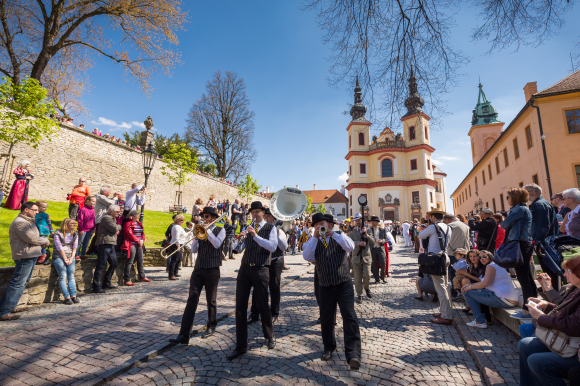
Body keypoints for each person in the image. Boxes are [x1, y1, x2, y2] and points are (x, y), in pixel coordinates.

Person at [302, 212, 361, 370]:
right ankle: (329, 347)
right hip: (325, 285)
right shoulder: (313, 241)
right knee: (326, 319)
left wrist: (333, 234)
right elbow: (307, 256)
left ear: (329, 223)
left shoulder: (340, 235)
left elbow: (350, 246)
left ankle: (353, 353)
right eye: (316, 224)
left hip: (343, 283)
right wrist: (315, 237)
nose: (320, 226)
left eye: (322, 223)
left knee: (349, 316)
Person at [227, 201, 277, 361]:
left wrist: (255, 236)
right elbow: (239, 249)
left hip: (261, 269)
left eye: (257, 212)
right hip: (245, 269)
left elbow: (272, 247)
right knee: (240, 307)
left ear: (263, 213)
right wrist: (239, 240)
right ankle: (240, 346)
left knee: (263, 305)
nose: (255, 215)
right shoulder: (248, 228)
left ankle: (269, 335)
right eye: (253, 212)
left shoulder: (270, 228)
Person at [518, 256, 580, 386]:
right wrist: (546, 305)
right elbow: (562, 308)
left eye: (568, 271)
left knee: (536, 361)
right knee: (525, 344)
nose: (564, 274)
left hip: (573, 347)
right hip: (565, 338)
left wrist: (541, 316)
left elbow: (572, 325)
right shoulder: (575, 289)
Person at [169, 207, 225, 344]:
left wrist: (207, 231)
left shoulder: (220, 230)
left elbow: (217, 244)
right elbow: (194, 250)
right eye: (203, 216)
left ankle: (211, 326)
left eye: (206, 216)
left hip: (212, 269)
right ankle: (183, 335)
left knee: (211, 300)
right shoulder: (199, 231)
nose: (203, 219)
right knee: (192, 299)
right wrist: (195, 237)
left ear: (212, 218)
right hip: (198, 269)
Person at [0, 202, 50, 321]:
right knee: (17, 283)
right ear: (26, 210)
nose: (37, 212)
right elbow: (31, 238)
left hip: (30, 255)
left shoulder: (28, 221)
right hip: (24, 256)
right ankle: (4, 312)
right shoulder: (20, 223)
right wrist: (44, 240)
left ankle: (11, 306)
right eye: (35, 210)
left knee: (22, 282)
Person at [501, 187, 536, 320]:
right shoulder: (523, 208)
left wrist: (506, 218)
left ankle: (526, 310)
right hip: (524, 244)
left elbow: (504, 225)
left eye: (508, 196)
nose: (507, 199)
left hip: (519, 244)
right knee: (527, 277)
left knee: (523, 278)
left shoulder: (518, 209)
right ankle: (532, 306)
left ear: (514, 197)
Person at [248, 208, 288, 325]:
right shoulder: (259, 229)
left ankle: (274, 313)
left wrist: (277, 234)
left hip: (275, 261)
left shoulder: (279, 231)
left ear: (274, 218)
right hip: (262, 262)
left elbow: (284, 247)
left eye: (268, 216)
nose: (265, 217)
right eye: (265, 215)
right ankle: (254, 313)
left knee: (274, 287)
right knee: (257, 287)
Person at [461, 250, 519, 328]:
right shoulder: (491, 266)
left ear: (490, 257)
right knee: (468, 290)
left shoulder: (491, 266)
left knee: (467, 292)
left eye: (484, 256)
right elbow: (483, 282)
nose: (482, 259)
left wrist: (469, 287)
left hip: (503, 299)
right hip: (503, 297)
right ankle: (482, 317)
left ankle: (479, 321)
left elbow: (485, 283)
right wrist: (469, 286)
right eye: (480, 257)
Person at [418, 209, 453, 325]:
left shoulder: (433, 227)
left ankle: (446, 316)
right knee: (446, 286)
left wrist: (428, 225)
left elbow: (421, 235)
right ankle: (445, 312)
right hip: (445, 256)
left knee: (440, 288)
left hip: (436, 258)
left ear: (432, 217)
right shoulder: (448, 227)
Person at [525, 183, 560, 288]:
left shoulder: (540, 204)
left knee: (550, 272)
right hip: (546, 242)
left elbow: (543, 225)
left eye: (526, 192)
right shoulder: (540, 203)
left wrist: (538, 241)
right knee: (549, 272)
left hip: (546, 244)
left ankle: (554, 297)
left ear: (533, 192)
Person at [92, 205, 122, 293]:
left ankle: (106, 283)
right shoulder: (107, 218)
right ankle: (96, 286)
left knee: (114, 263)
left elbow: (114, 229)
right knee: (101, 265)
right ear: (111, 211)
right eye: (117, 212)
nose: (119, 213)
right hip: (104, 244)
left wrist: (116, 227)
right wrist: (118, 227)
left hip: (111, 244)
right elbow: (114, 228)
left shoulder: (112, 218)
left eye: (119, 212)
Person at [53, 218, 81, 305]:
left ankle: (73, 296)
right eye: (72, 223)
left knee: (71, 276)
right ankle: (67, 297)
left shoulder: (75, 234)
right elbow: (59, 248)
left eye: (74, 223)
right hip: (59, 256)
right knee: (63, 276)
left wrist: (72, 258)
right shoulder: (58, 233)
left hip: (70, 257)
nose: (74, 224)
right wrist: (65, 258)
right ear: (66, 224)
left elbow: (75, 246)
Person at [348, 213, 375, 304]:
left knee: (367, 275)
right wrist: (358, 243)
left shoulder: (368, 230)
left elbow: (372, 241)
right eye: (356, 220)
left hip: (366, 257)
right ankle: (360, 295)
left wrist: (366, 235)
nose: (358, 222)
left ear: (362, 220)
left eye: (359, 220)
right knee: (357, 278)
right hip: (356, 257)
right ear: (354, 221)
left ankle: (366, 288)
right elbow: (350, 242)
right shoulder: (352, 232)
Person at [121, 210, 151, 285]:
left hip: (139, 244)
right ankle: (126, 279)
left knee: (140, 260)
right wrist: (138, 240)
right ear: (133, 216)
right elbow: (129, 234)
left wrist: (142, 240)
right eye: (137, 215)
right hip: (131, 244)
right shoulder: (128, 223)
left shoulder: (138, 223)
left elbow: (142, 233)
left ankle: (142, 276)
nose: (139, 216)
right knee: (129, 262)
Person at [86, 186, 117, 255]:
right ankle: (91, 251)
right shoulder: (100, 197)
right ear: (104, 192)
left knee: (99, 235)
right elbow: (111, 203)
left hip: (102, 220)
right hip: (100, 220)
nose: (110, 193)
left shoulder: (102, 197)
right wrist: (115, 198)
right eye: (109, 191)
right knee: (98, 235)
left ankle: (95, 250)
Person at [368, 216, 387, 284]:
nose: (372, 223)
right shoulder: (369, 230)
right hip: (373, 249)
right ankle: (376, 278)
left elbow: (386, 239)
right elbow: (367, 239)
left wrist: (382, 241)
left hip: (380, 248)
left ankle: (383, 277)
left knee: (383, 263)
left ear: (377, 222)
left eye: (373, 222)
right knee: (374, 264)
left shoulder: (383, 230)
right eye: (371, 222)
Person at [34, 201, 53, 265]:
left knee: (42, 244)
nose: (45, 208)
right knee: (37, 244)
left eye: (46, 207)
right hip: (36, 231)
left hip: (44, 231)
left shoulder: (46, 215)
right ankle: (39, 255)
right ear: (38, 207)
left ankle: (43, 254)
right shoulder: (34, 214)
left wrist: (52, 231)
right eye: (43, 207)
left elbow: (49, 223)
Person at [169, 215, 187, 280]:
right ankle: (171, 275)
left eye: (183, 220)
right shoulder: (177, 227)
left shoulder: (178, 227)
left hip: (178, 244)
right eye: (181, 220)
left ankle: (175, 272)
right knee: (174, 260)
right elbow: (177, 237)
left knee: (179, 259)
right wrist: (178, 246)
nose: (183, 221)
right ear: (177, 220)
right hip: (176, 244)